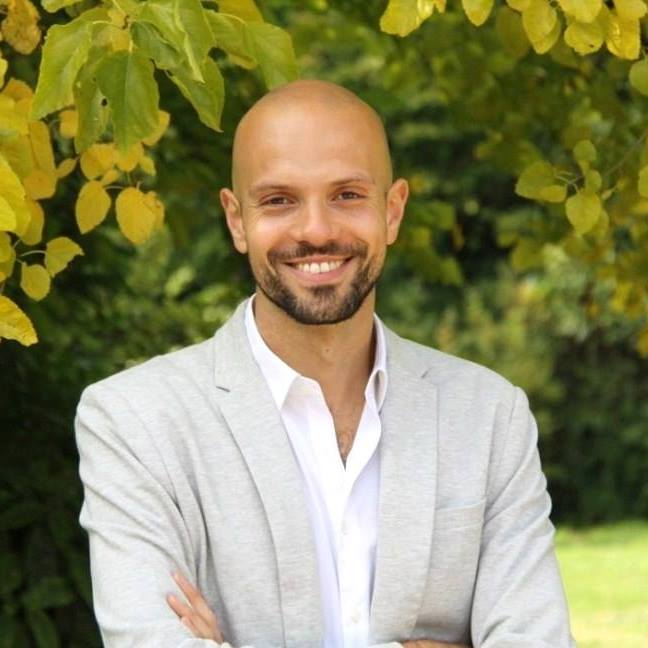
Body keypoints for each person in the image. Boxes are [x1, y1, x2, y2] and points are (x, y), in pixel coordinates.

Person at [74, 79, 575, 648]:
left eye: (347, 195)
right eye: (279, 200)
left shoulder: (490, 416)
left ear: (393, 211)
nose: (315, 230)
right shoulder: (133, 421)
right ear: (236, 220)